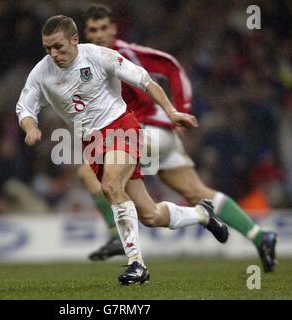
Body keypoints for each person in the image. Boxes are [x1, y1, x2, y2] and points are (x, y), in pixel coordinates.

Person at [16, 15, 229, 285]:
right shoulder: (41, 72)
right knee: (150, 216)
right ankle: (202, 214)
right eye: (47, 48)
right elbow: (25, 106)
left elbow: (144, 80)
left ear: (74, 39)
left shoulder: (98, 56)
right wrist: (30, 127)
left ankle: (137, 265)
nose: (53, 54)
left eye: (58, 47)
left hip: (121, 127)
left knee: (110, 186)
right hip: (91, 143)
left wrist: (172, 111)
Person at [78, 4, 277, 273]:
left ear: (114, 28)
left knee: (90, 172)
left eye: (104, 28)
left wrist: (180, 109)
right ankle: (259, 236)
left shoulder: (125, 53)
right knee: (197, 192)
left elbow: (171, 67)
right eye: (93, 30)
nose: (100, 34)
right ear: (86, 34)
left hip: (149, 131)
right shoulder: (89, 61)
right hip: (159, 138)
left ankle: (117, 236)